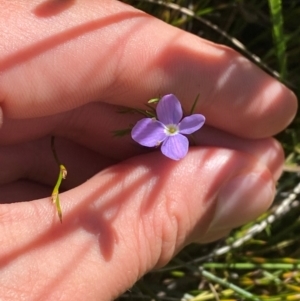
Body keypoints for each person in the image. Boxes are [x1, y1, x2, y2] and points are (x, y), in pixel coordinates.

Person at [0, 1, 297, 300]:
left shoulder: (181, 126)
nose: (170, 129)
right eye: (168, 128)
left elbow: (185, 127)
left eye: (172, 128)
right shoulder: (164, 125)